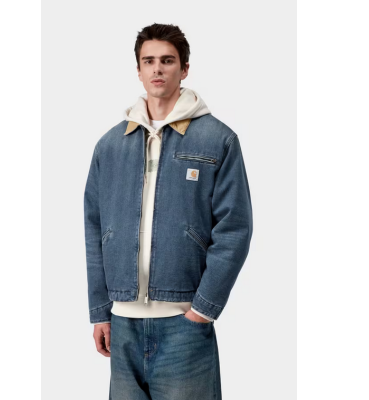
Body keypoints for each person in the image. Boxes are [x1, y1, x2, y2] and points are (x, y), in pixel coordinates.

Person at [84, 23, 253, 400]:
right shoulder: (110, 145)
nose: (157, 69)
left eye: (167, 60)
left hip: (184, 323)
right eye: (148, 61)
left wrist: (202, 310)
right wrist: (100, 311)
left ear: (184, 68)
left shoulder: (217, 139)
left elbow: (235, 228)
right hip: (122, 324)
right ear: (138, 70)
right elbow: (94, 231)